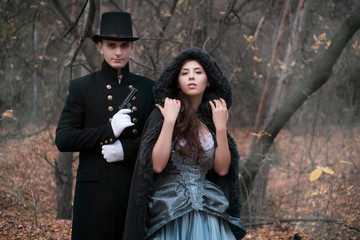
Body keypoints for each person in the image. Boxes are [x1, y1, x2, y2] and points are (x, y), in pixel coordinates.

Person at [123, 47, 246, 240]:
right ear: (177, 81)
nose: (191, 77)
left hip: (208, 207)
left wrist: (221, 128)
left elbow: (222, 170)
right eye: (185, 73)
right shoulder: (163, 113)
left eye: (198, 72)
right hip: (170, 207)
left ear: (208, 81)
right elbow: (156, 165)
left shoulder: (213, 118)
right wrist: (170, 121)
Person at [55, 11, 155, 240]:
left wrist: (126, 151)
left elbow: (159, 141)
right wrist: (109, 131)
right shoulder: (81, 87)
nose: (118, 52)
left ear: (131, 48)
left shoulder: (149, 88)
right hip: (93, 195)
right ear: (100, 46)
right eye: (111, 45)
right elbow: (63, 138)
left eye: (123, 45)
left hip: (133, 191)